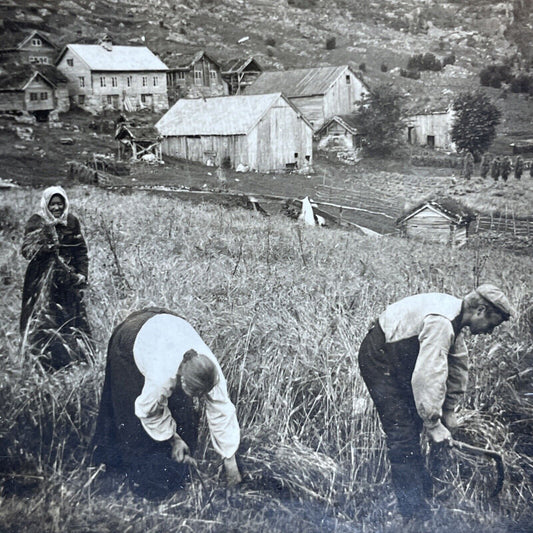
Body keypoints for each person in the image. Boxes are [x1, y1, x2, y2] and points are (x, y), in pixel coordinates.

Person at [358, 285, 513, 522]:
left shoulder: (455, 317)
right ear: (481, 310)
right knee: (403, 434)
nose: (491, 333)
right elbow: (428, 373)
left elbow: (458, 365)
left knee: (413, 426)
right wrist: (433, 423)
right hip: (380, 358)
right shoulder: (441, 322)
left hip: (400, 353)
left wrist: (448, 410)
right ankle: (413, 517)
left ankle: (423, 495)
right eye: (493, 324)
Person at [91, 308, 242, 500]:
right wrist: (173, 438)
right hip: (132, 338)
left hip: (167, 326)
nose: (200, 399)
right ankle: (120, 473)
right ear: (183, 380)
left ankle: (176, 469)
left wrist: (230, 462)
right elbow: (147, 410)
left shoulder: (210, 370)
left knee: (183, 414)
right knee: (131, 422)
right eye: (195, 393)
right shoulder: (161, 376)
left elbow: (222, 410)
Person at [20, 186, 92, 370]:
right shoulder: (36, 222)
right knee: (43, 318)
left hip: (68, 279)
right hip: (41, 280)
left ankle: (72, 361)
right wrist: (46, 249)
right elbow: (27, 251)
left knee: (69, 318)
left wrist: (82, 273)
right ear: (46, 204)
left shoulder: (72, 221)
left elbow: (80, 250)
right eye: (53, 204)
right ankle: (42, 363)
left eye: (60, 204)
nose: (57, 208)